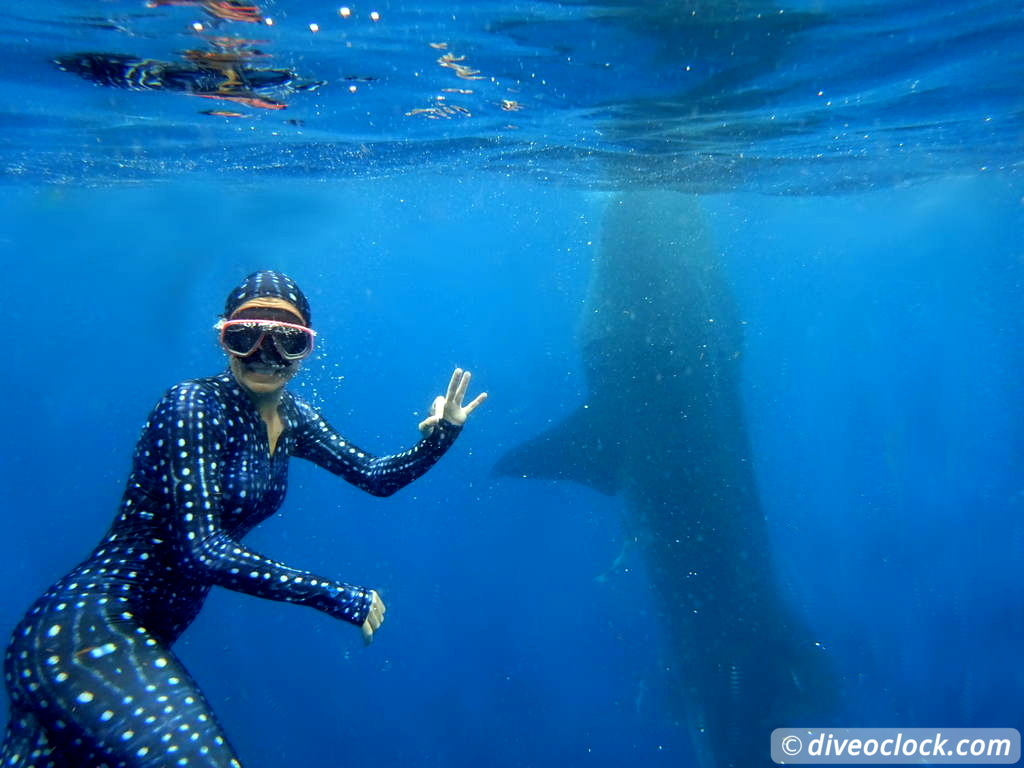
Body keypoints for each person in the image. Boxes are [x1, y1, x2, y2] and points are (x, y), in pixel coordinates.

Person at [1, 270, 486, 767]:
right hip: (88, 633)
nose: (265, 356)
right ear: (223, 339)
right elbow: (201, 550)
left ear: (307, 351)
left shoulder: (295, 418)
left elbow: (376, 476)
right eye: (245, 337)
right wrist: (336, 595)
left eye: (287, 342)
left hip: (128, 640)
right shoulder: (192, 407)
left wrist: (441, 435)